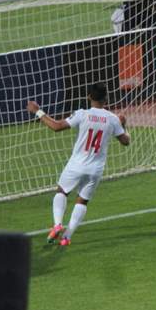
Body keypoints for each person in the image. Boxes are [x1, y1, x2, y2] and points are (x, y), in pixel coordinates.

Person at [26, 83, 130, 246]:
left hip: (76, 165)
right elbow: (125, 141)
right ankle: (67, 237)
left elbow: (56, 126)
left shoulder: (82, 114)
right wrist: (123, 125)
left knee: (62, 191)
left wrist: (37, 111)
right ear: (106, 98)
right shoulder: (113, 119)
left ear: (89, 97)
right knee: (82, 201)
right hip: (95, 169)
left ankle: (57, 224)